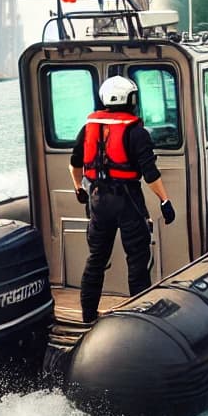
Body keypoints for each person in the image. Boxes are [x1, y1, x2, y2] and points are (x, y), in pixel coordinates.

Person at [70, 74, 176, 324]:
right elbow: (150, 175)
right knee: (137, 259)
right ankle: (140, 318)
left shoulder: (88, 128)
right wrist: (165, 201)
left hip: (97, 200)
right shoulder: (137, 132)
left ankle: (87, 317)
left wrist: (79, 189)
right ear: (130, 100)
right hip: (127, 201)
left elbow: (74, 164)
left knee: (96, 259)